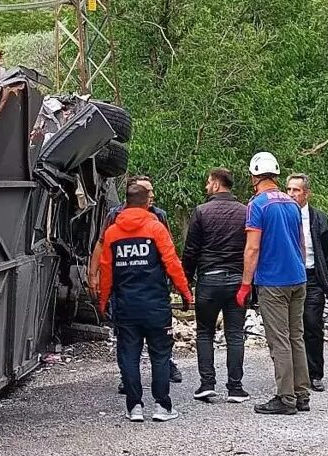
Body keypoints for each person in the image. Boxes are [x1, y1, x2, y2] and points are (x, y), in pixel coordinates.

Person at [98, 184, 193, 422]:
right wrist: (185, 293)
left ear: (126, 203)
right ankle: (162, 406)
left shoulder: (112, 233)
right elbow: (172, 263)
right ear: (146, 203)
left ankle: (134, 407)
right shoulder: (155, 228)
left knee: (129, 356)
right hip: (156, 305)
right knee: (160, 355)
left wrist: (103, 301)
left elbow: (106, 270)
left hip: (126, 306)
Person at [88, 176, 183, 391]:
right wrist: (93, 274)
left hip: (154, 285)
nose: (152, 195)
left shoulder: (159, 215)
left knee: (159, 333)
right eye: (147, 191)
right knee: (126, 336)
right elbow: (101, 245)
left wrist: (174, 279)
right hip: (124, 285)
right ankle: (128, 377)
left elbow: (169, 249)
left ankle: (166, 365)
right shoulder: (114, 216)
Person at [236, 152, 310, 415]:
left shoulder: (257, 205)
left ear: (254, 176)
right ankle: (302, 394)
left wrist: (245, 285)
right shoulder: (292, 203)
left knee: (279, 340)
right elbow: (301, 243)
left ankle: (286, 398)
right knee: (296, 337)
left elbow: (252, 248)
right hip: (298, 278)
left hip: (273, 281)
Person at [181, 168, 249, 403]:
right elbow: (251, 247)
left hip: (209, 279)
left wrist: (185, 281)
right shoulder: (245, 212)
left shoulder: (201, 211)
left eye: (209, 182)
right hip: (237, 280)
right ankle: (235, 388)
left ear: (217, 184)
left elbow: (191, 250)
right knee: (235, 334)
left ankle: (207, 384)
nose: (206, 186)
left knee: (205, 332)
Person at [285, 173, 328, 392]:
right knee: (289, 328)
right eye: (289, 189)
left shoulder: (319, 219)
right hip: (288, 277)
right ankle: (292, 374)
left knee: (312, 324)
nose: (291, 194)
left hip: (312, 277)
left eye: (296, 190)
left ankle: (315, 373)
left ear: (306, 193)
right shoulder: (281, 215)